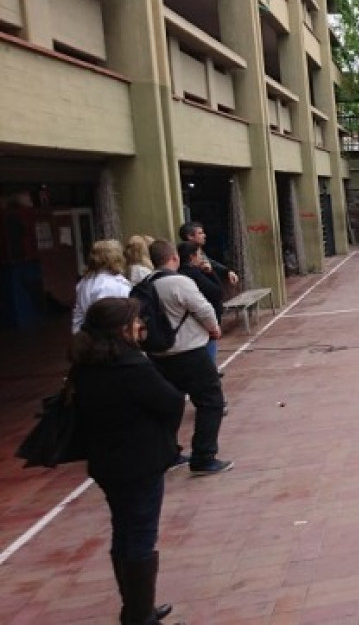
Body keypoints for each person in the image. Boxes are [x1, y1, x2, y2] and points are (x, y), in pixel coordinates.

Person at [71, 297, 185, 625]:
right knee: (140, 536)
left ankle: (136, 608)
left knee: (124, 532)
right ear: (121, 328)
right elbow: (170, 401)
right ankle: (140, 616)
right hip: (139, 462)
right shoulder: (131, 366)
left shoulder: (85, 364)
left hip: (107, 462)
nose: (140, 327)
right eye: (135, 321)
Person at [144, 240, 232, 475]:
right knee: (210, 402)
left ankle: (168, 452)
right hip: (189, 352)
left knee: (168, 404)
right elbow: (203, 308)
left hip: (159, 355)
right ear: (173, 257)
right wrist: (214, 329)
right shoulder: (179, 282)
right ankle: (204, 456)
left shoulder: (144, 285)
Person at [177, 241, 224, 363]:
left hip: (189, 328)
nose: (201, 258)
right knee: (208, 354)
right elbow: (217, 292)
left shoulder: (180, 273)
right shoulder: (193, 274)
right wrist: (211, 273)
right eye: (198, 254)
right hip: (201, 325)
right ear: (192, 257)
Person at [72, 239, 133, 332]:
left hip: (90, 334)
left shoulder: (84, 282)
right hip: (109, 337)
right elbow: (108, 316)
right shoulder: (108, 285)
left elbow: (78, 316)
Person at [176, 221, 239, 287]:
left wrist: (227, 271)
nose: (204, 235)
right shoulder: (184, 254)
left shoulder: (199, 251)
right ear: (190, 236)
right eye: (200, 233)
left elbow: (211, 263)